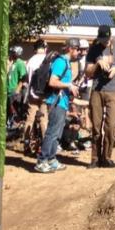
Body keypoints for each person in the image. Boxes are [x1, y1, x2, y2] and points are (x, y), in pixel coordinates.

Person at [85, 25, 115, 169]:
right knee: (96, 126)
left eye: (107, 38)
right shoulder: (94, 49)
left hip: (113, 91)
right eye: (102, 39)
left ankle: (107, 157)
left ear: (110, 36)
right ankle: (95, 158)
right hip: (97, 91)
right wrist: (97, 64)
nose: (105, 41)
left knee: (110, 126)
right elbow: (88, 72)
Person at [34, 39, 82, 174]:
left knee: (57, 133)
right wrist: (69, 85)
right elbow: (52, 81)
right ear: (70, 48)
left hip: (62, 102)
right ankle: (42, 161)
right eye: (77, 49)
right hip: (56, 102)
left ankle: (51, 159)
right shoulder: (61, 62)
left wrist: (70, 88)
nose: (79, 52)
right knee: (52, 132)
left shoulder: (66, 62)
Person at [23, 39, 48, 155]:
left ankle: (26, 144)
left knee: (30, 119)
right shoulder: (47, 60)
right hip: (45, 95)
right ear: (45, 47)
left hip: (32, 94)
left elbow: (27, 79)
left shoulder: (30, 61)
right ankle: (45, 147)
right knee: (44, 119)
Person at [6, 45, 27, 117]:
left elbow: (23, 77)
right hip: (7, 89)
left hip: (14, 89)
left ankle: (13, 122)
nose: (11, 54)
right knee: (7, 110)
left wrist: (17, 89)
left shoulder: (20, 63)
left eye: (13, 52)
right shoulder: (11, 62)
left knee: (13, 111)